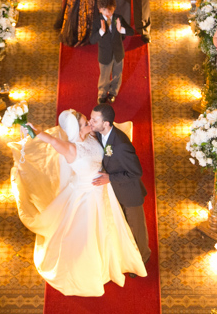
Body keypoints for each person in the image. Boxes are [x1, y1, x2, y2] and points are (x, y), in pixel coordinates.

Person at [10, 109, 147, 296]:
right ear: (77, 128)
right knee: (90, 232)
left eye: (88, 121)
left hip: (104, 189)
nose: (89, 124)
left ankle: (115, 259)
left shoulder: (91, 135)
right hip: (87, 196)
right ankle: (92, 268)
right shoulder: (70, 148)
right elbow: (52, 141)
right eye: (85, 123)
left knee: (111, 226)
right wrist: (34, 131)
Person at [89, 104, 150, 264]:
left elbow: (136, 172)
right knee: (122, 228)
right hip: (114, 192)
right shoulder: (99, 132)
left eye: (94, 120)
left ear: (106, 123)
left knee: (135, 229)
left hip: (130, 194)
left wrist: (110, 178)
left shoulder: (121, 145)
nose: (91, 122)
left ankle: (143, 258)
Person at [89, 0, 134, 104]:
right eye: (105, 10)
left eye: (110, 9)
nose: (108, 13)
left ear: (114, 8)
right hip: (105, 54)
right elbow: (92, 40)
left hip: (118, 53)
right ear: (100, 9)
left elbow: (131, 32)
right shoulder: (96, 22)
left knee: (117, 75)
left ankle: (113, 92)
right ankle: (102, 94)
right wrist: (101, 32)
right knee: (104, 76)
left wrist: (121, 29)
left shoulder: (118, 18)